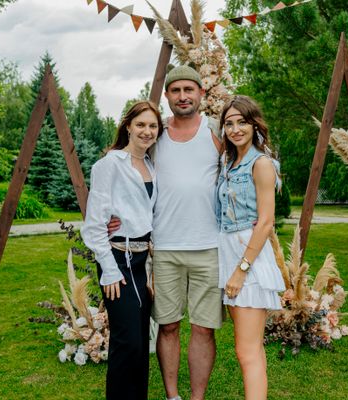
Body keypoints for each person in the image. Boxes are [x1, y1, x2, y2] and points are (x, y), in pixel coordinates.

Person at [108, 65, 222, 400]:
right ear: (168, 96)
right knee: (168, 325)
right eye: (176, 90)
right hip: (165, 248)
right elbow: (126, 168)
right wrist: (113, 214)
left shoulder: (216, 130)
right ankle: (173, 396)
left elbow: (250, 161)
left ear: (201, 93)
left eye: (189, 89)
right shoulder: (156, 134)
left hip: (209, 247)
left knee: (203, 328)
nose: (183, 96)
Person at [81, 100, 163, 400]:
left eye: (152, 126)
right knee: (126, 342)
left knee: (140, 342)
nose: (146, 131)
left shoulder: (151, 165)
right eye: (140, 124)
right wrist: (110, 270)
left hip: (142, 262)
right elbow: (94, 225)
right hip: (117, 259)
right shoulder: (109, 165)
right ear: (128, 126)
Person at [215, 95, 285, 399]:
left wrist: (241, 270)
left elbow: (266, 222)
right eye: (229, 123)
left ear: (254, 124)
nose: (235, 129)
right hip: (229, 252)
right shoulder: (229, 163)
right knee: (247, 348)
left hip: (248, 258)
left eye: (242, 122)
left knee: (248, 351)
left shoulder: (261, 164)